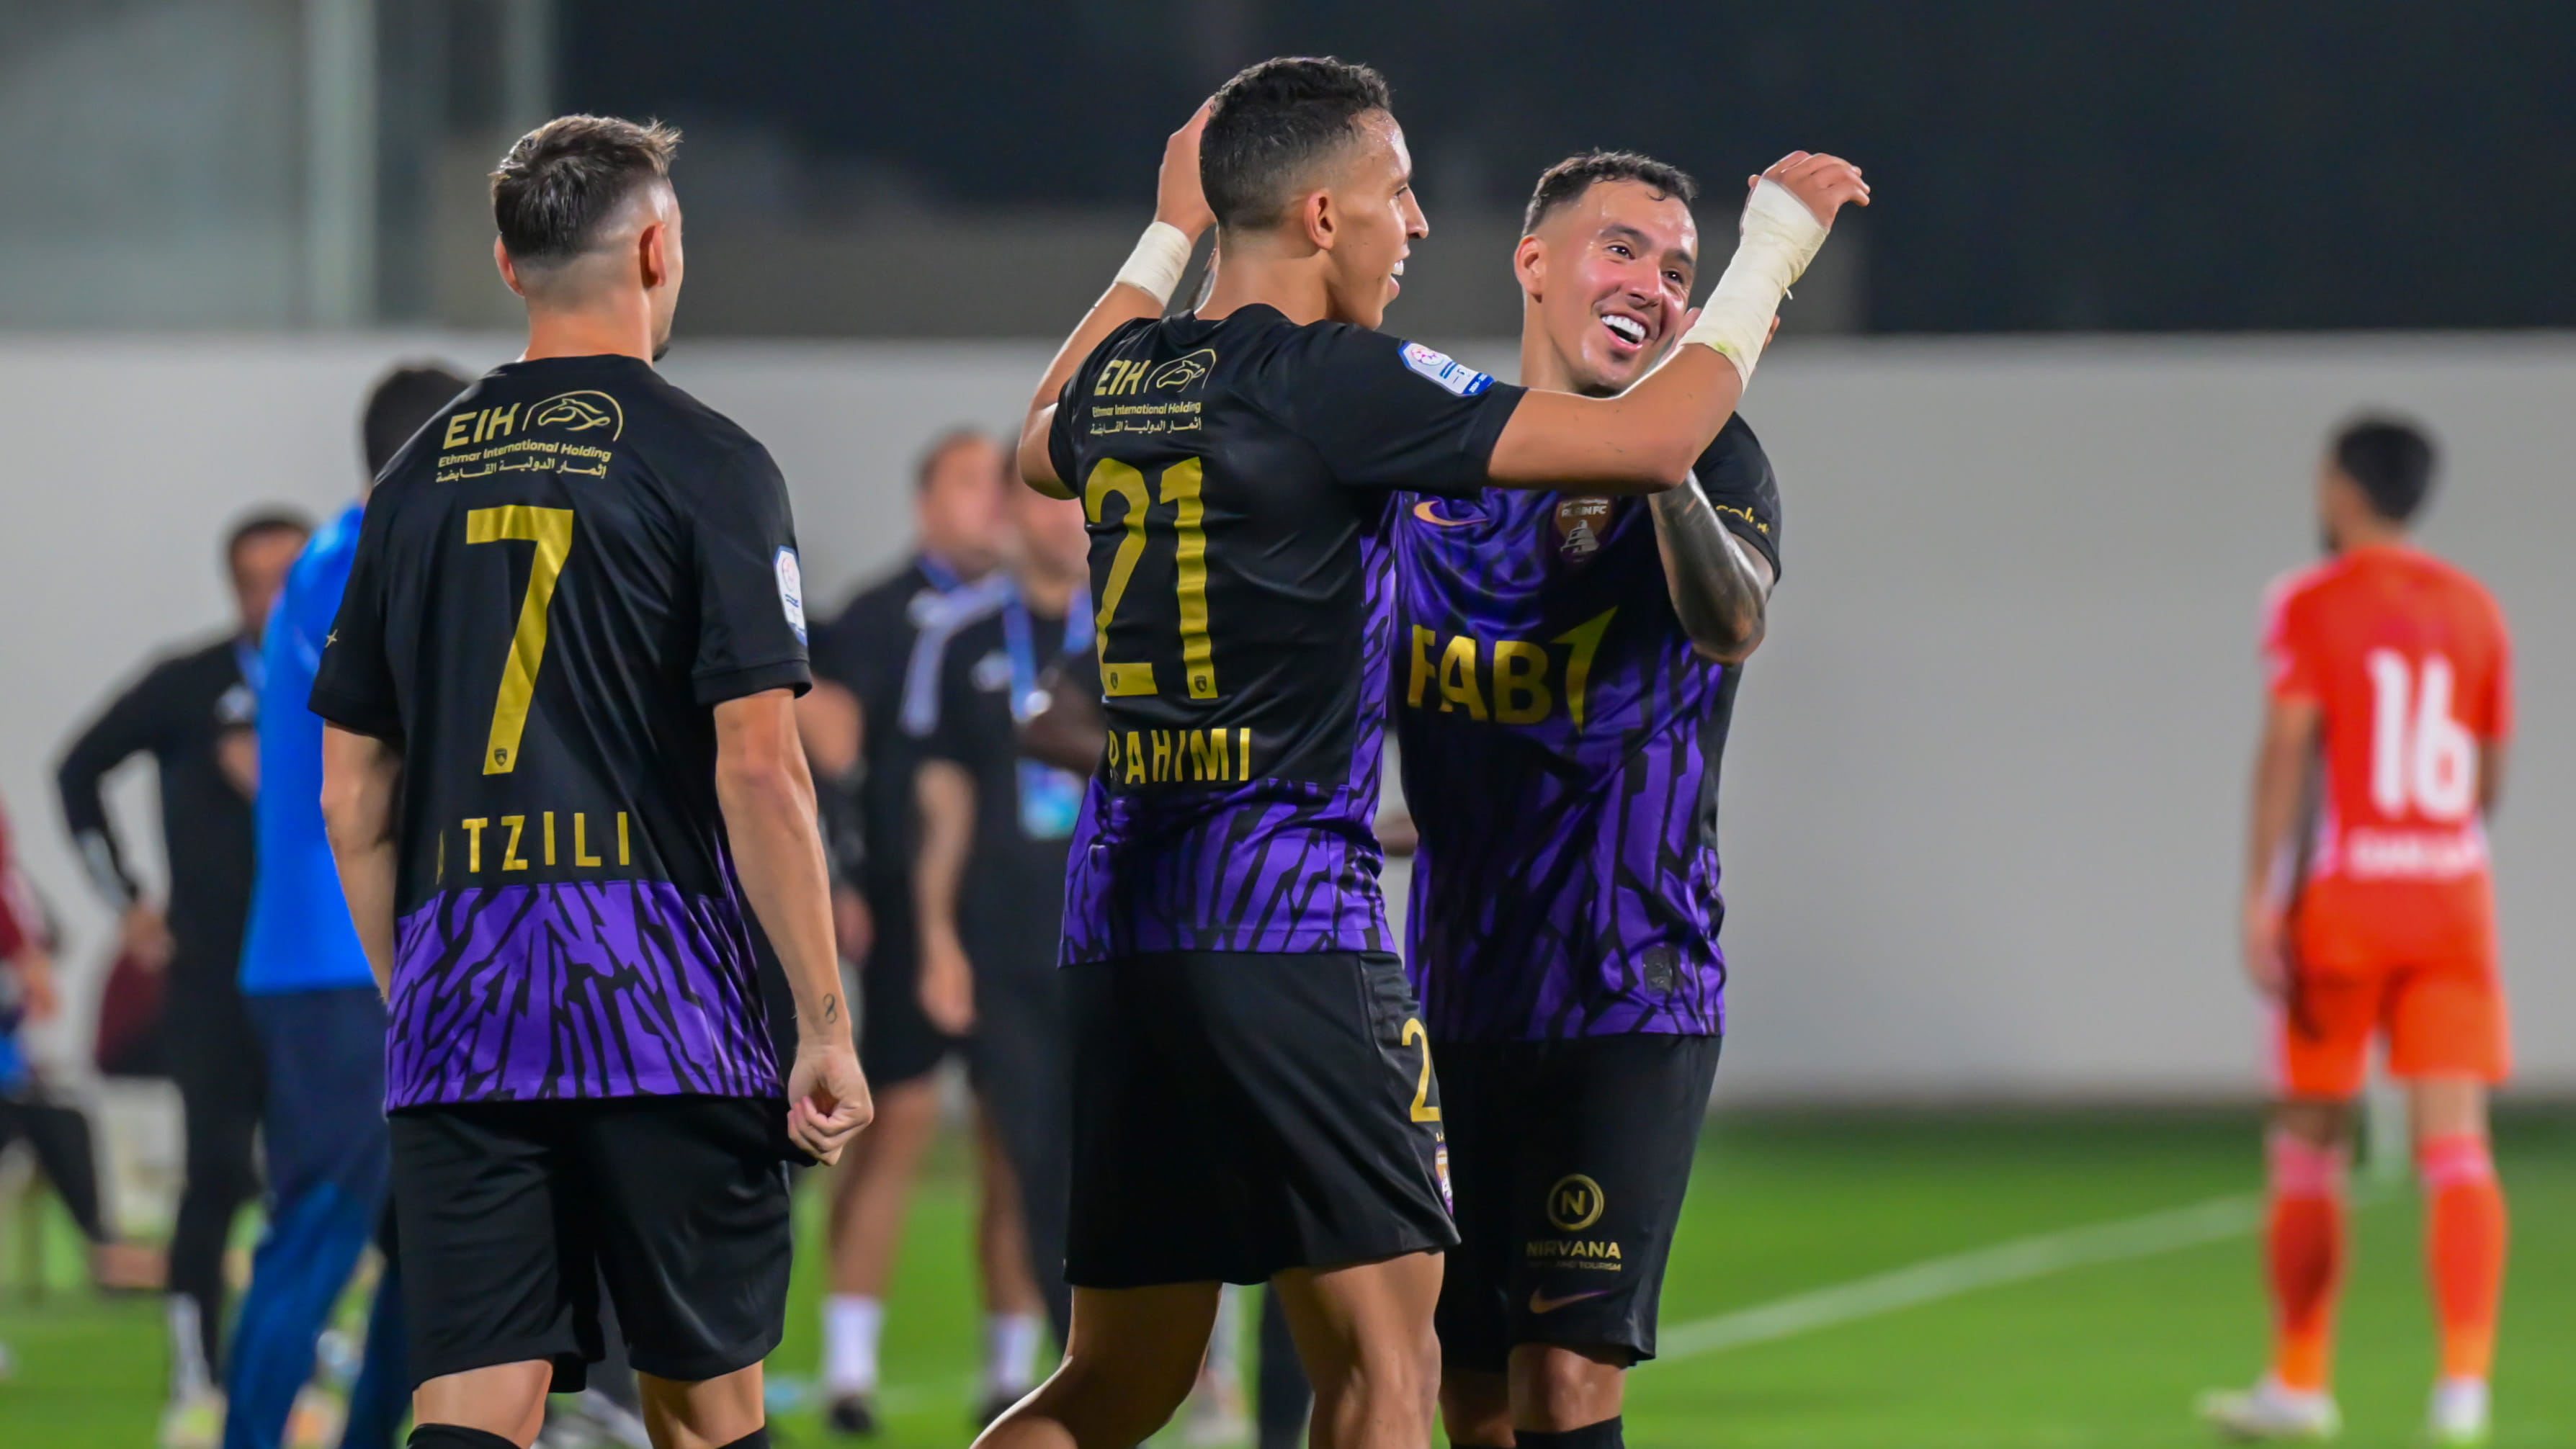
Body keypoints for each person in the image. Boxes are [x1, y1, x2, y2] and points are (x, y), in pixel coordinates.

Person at [979, 57, 1863, 1449]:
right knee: (1387, 1375)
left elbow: (1036, 445)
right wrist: (1770, 259)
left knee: (1113, 1385)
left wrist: (1167, 237)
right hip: (1286, 918)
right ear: (1325, 216)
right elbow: (1651, 439)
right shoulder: (1339, 381)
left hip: (1120, 920)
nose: (1418, 223)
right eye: (1398, 193)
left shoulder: (1136, 383)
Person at [309, 114, 870, 1449]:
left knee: (476, 1392)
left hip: (464, 984)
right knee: (703, 1395)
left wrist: (424, 997)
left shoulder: (408, 482)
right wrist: (824, 1019)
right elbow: (761, 768)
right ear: (660, 245)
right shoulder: (711, 462)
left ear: (510, 265)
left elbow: (351, 798)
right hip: (660, 989)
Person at [1390, 153, 1781, 1449]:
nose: (1656, 288)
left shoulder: (1716, 454)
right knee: (1476, 1395)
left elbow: (1730, 624)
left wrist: (1658, 460)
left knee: (1565, 1381)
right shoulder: (1432, 469)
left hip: (1631, 991)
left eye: (1680, 272)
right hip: (1453, 999)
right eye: (1625, 252)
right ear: (1535, 263)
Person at [2201, 418, 2513, 1447]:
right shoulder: (2477, 611)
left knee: (2308, 1148)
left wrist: (2259, 895)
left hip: (2344, 908)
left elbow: (2287, 751)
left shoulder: (2310, 601)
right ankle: (2463, 1392)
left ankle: (2300, 1384)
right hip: (2452, 899)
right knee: (2457, 1150)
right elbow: (2487, 774)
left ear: (2342, 488)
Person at [221, 364, 470, 1449]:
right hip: (338, 961)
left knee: (428, 1237)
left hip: (374, 955)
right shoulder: (361, 559)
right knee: (320, 1229)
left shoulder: (340, 556)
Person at [797, 431, 1046, 1434]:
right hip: (908, 912)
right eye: (972, 484)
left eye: (1003, 485)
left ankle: (1012, 1372)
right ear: (926, 500)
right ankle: (848, 1366)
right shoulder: (876, 616)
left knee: (1014, 1149)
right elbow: (837, 758)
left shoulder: (1045, 622)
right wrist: (844, 881)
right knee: (891, 1127)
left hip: (1020, 924)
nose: (993, 502)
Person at [56, 507, 310, 1447]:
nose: (272, 598)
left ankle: (300, 1356)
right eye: (255, 580)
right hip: (211, 979)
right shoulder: (191, 686)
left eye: (290, 576)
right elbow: (76, 770)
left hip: (320, 983)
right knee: (216, 1174)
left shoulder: (353, 685)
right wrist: (121, 897)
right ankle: (197, 1364)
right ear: (233, 587)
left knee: (318, 1179)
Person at [908, 474, 1094, 1421]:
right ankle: (1085, 1365)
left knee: (1138, 1160)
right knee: (1032, 1163)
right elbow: (944, 807)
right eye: (1052, 501)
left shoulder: (1138, 626)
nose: (1069, 519)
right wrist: (938, 940)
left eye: (1081, 502)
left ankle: (1187, 1347)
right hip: (1007, 950)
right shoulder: (964, 636)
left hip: (1120, 947)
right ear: (1018, 515)